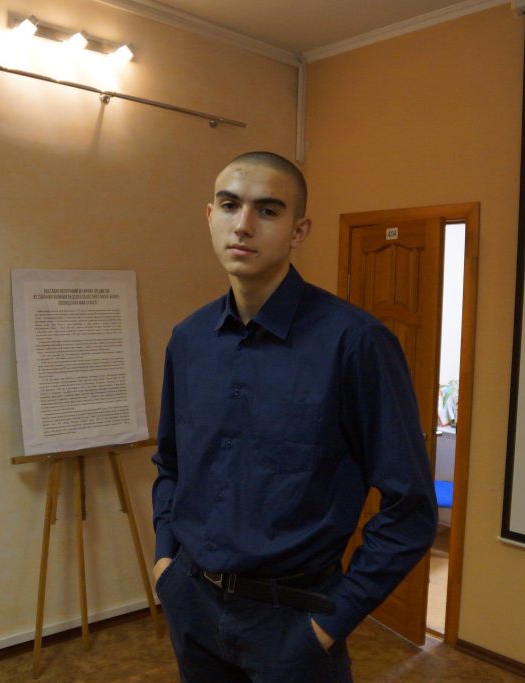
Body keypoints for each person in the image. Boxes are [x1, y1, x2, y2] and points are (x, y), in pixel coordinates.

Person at [151, 151, 437, 683]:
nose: (243, 225)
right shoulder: (188, 340)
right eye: (229, 205)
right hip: (193, 607)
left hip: (294, 622)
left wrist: (332, 621)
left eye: (267, 210)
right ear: (209, 216)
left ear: (298, 231)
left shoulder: (355, 343)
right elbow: (170, 464)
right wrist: (166, 564)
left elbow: (411, 507)